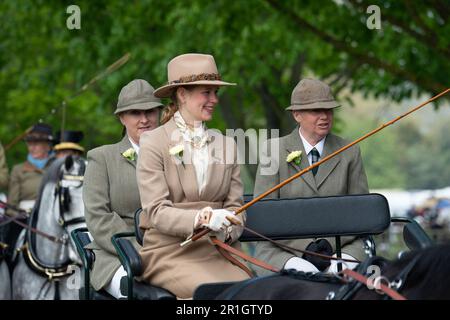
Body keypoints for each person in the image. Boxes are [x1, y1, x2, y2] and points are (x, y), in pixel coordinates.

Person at [137, 53, 251, 299]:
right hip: (170, 252)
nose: (214, 100)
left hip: (219, 251)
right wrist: (202, 218)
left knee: (252, 292)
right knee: (212, 294)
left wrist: (227, 229)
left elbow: (236, 207)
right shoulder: (153, 142)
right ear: (182, 94)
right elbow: (156, 210)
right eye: (206, 92)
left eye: (215, 93)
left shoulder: (227, 145)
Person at [253, 78, 369, 276]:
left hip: (343, 248)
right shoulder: (273, 150)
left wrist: (327, 246)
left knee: (340, 277)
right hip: (282, 250)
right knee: (303, 277)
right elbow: (265, 218)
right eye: (316, 111)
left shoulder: (350, 151)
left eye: (329, 110)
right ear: (297, 115)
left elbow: (361, 215)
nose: (324, 116)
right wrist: (305, 248)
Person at [83, 79, 163, 299]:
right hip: (117, 254)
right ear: (122, 117)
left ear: (160, 114)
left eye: (150, 111)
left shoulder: (176, 155)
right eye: (135, 113)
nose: (145, 119)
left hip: (169, 249)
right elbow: (98, 217)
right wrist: (139, 250)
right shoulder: (101, 158)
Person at [7, 123, 56, 215]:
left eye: (36, 144)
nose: (32, 148)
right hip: (24, 218)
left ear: (48, 146)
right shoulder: (18, 170)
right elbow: (11, 206)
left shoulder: (57, 167)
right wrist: (20, 216)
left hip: (53, 216)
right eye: (30, 144)